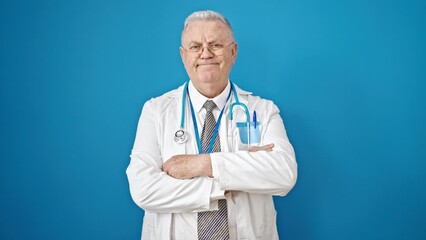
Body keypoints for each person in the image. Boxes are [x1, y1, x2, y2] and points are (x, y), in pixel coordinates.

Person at [126, 10, 297, 240]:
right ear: (183, 55)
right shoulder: (155, 111)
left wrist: (201, 165)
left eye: (215, 45)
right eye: (195, 47)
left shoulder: (263, 110)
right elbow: (143, 190)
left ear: (233, 52)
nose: (205, 54)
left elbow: (284, 173)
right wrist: (230, 181)